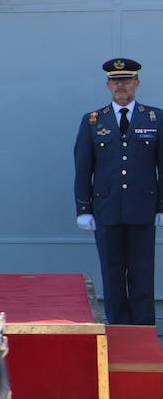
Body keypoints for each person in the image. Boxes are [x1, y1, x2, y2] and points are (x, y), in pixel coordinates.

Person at [73, 58, 163, 325]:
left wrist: (161, 206)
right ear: (108, 85)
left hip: (142, 209)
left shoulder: (156, 118)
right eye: (115, 81)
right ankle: (119, 332)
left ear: (137, 83)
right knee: (112, 276)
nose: (120, 85)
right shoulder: (92, 121)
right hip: (106, 210)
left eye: (126, 80)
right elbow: (82, 167)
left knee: (142, 274)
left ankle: (144, 334)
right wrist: (83, 208)